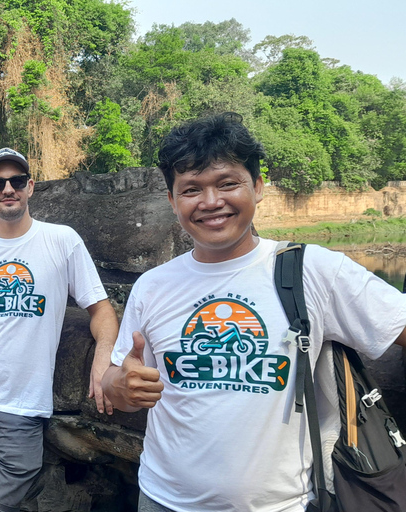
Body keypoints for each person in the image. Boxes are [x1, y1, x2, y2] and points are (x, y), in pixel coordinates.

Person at [101, 112, 406, 512]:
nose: (211, 202)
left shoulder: (314, 270)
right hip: (162, 498)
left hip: (282, 505)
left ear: (258, 187)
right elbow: (115, 382)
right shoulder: (153, 286)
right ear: (173, 201)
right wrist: (118, 387)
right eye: (191, 189)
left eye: (228, 183)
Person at [0, 148, 119, 512]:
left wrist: (104, 354)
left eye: (16, 181)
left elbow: (101, 310)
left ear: (30, 187)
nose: (8, 189)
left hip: (23, 406)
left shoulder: (62, 241)